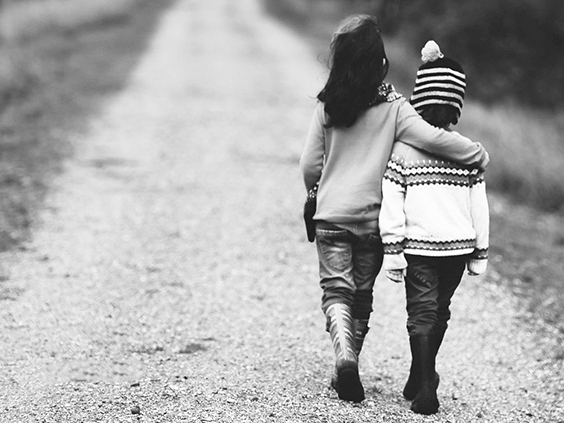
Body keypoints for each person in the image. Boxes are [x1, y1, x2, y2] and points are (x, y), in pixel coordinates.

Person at [299, 16, 489, 404]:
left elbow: (309, 165)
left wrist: (317, 193)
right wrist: (477, 154)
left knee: (336, 290)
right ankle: (352, 358)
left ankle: (345, 357)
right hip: (372, 220)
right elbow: (434, 138)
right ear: (380, 63)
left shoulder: (327, 106)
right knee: (362, 296)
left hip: (332, 216)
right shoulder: (395, 108)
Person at [379, 40, 490, 415]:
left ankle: (425, 384)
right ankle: (421, 374)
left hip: (419, 248)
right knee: (439, 311)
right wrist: (480, 252)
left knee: (421, 313)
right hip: (457, 249)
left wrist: (392, 251)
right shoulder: (467, 152)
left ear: (418, 101)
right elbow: (480, 207)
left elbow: (392, 203)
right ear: (456, 107)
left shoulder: (403, 150)